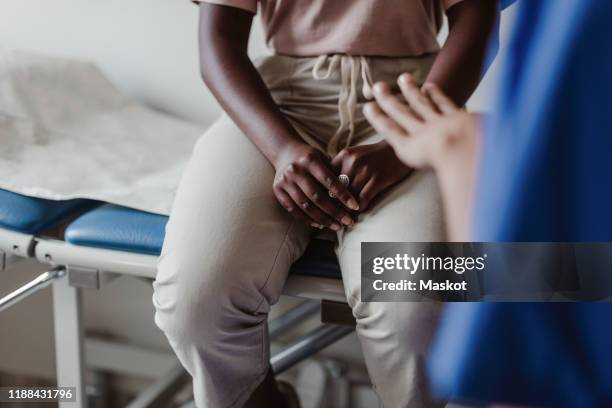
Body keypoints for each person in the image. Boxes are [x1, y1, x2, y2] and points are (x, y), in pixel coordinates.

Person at [152, 1, 498, 407]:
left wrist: (399, 146)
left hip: (408, 100)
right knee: (195, 305)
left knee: (414, 307)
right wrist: (282, 150)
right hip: (278, 103)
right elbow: (217, 42)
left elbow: (478, 21)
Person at [365, 0, 612, 406]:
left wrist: (460, 154)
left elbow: (526, 328)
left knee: (395, 276)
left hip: (574, 275)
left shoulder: (578, 21)